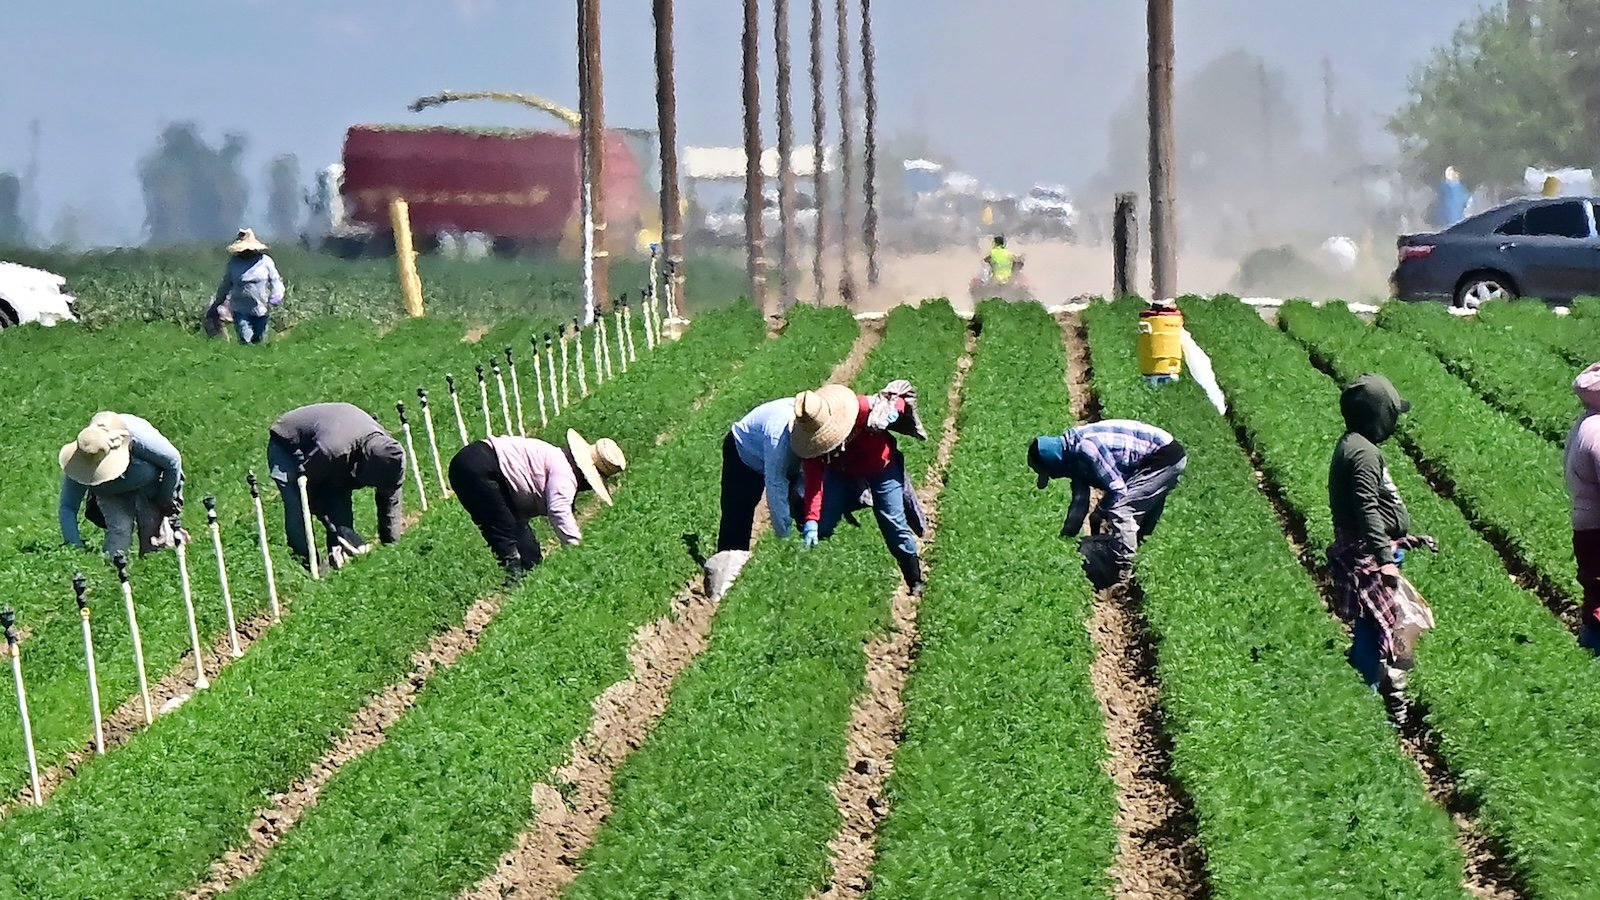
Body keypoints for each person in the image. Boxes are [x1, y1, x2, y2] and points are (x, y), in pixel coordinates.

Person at [1327, 374, 1436, 718]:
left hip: (1371, 549)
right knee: (1378, 627)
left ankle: (1379, 687)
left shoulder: (1357, 446)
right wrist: (1384, 558)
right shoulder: (1363, 454)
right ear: (1379, 415)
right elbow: (1366, 508)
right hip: (1368, 553)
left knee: (1379, 624)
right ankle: (1368, 695)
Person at [791, 381, 929, 595]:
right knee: (823, 524)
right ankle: (811, 561)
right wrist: (811, 520)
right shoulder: (812, 443)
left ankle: (915, 579)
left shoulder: (859, 408)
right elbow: (814, 482)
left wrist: (892, 412)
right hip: (842, 474)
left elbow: (896, 401)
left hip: (882, 469)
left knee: (892, 522)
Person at [448, 429, 626, 584]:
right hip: (480, 466)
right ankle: (515, 578)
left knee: (525, 545)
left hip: (475, 462)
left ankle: (526, 573)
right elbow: (558, 509)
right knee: (504, 528)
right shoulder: (566, 475)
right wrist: (576, 550)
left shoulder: (559, 459)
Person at [1028, 420, 1187, 587]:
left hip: (1163, 456)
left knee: (1123, 509)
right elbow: (1079, 502)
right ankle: (1131, 558)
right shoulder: (1070, 454)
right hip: (1156, 458)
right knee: (1137, 516)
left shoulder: (1086, 449)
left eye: (1049, 473)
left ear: (1054, 463)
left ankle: (1121, 577)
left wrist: (1100, 511)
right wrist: (1065, 539)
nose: (1052, 477)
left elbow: (1118, 490)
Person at [267, 402, 406, 571]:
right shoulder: (334, 450)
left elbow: (390, 500)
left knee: (340, 503)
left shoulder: (391, 453)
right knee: (298, 504)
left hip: (332, 439)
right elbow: (309, 488)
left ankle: (339, 561)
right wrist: (334, 526)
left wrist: (391, 547)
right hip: (288, 444)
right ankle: (307, 565)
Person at [59, 412, 186, 558]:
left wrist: (165, 501)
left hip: (151, 486)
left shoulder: (137, 437)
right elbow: (68, 506)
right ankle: (113, 572)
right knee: (119, 532)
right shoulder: (83, 457)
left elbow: (173, 462)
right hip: (110, 493)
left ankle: (157, 570)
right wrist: (75, 546)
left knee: (156, 539)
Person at [718, 397, 805, 553]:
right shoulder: (778, 441)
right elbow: (775, 486)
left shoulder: (813, 420)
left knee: (803, 500)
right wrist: (784, 538)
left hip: (783, 452)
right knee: (738, 516)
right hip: (744, 453)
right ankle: (729, 567)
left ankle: (807, 539)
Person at [1565, 362, 1600, 653]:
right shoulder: (1599, 431)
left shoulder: (1586, 421)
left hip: (1587, 527)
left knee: (1596, 595)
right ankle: (1593, 654)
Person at [212, 228, 284, 344]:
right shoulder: (234, 263)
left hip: (261, 308)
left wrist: (277, 295)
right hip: (240, 308)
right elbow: (226, 283)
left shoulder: (265, 261)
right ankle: (244, 358)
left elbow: (275, 280)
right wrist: (219, 300)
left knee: (259, 339)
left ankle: (257, 359)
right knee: (245, 338)